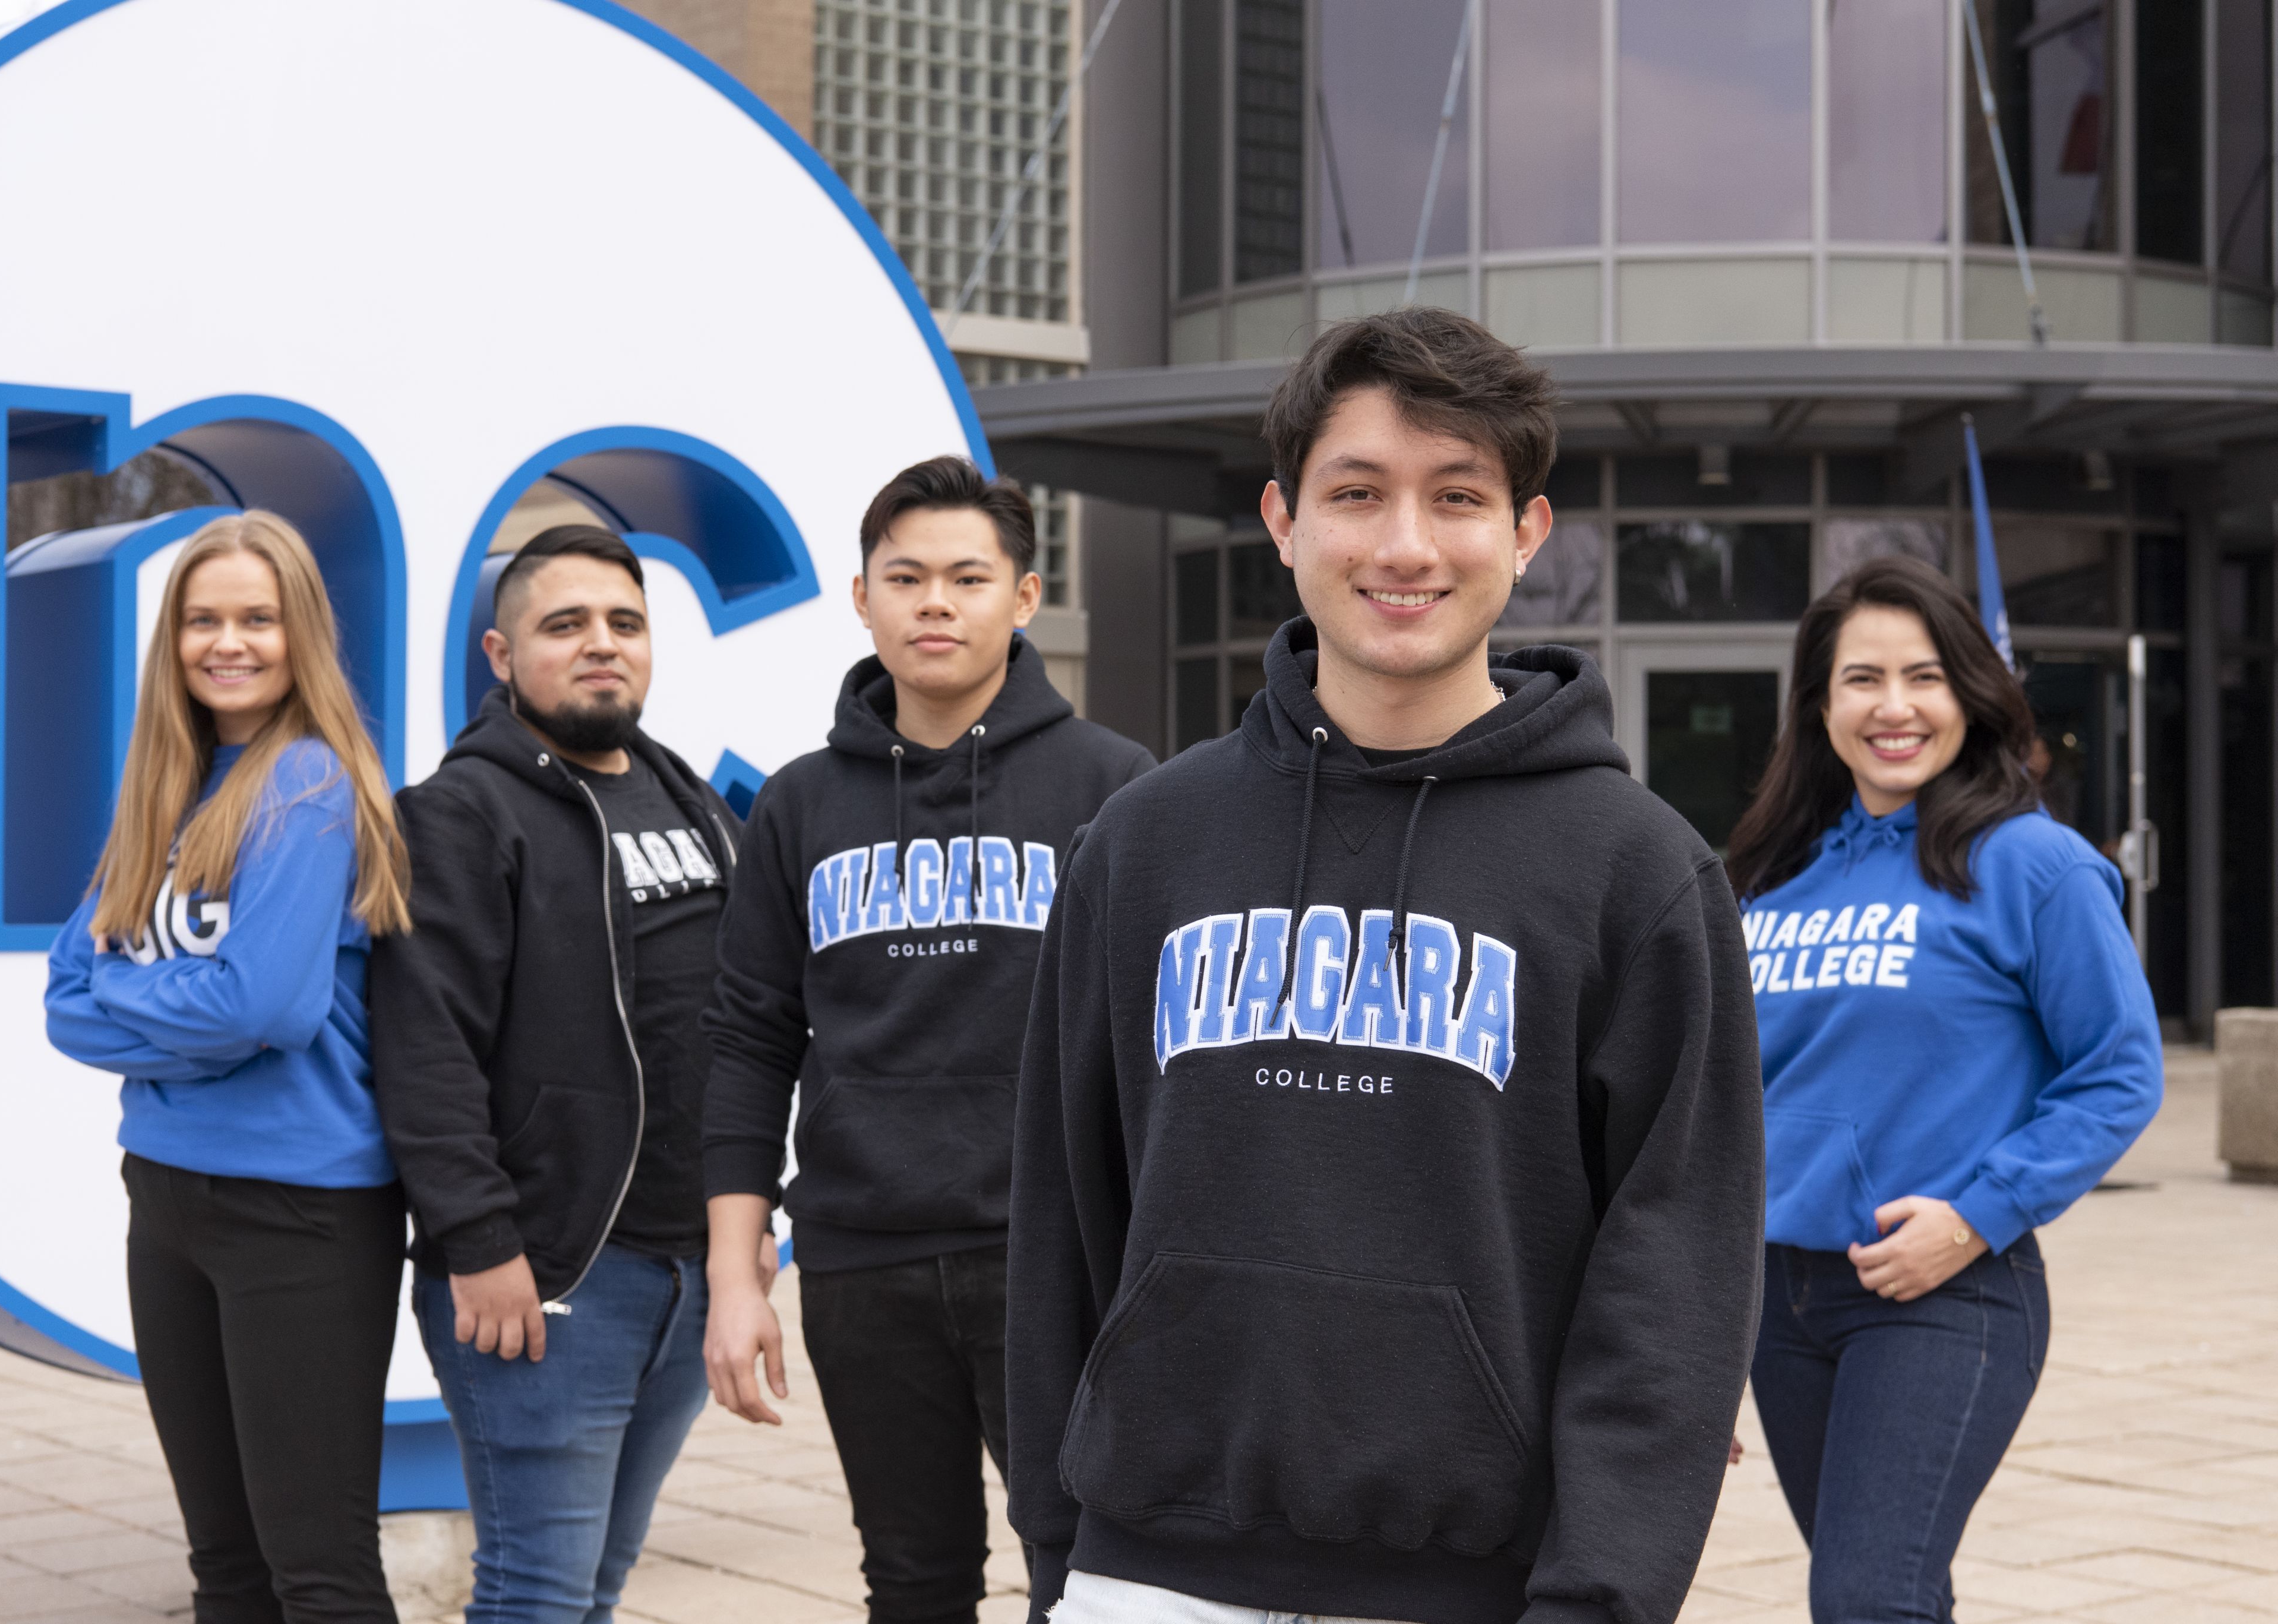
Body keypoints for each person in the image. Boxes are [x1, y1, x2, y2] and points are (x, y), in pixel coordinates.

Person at [1005, 309, 1766, 1624]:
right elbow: (1061, 1215)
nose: (1403, 544)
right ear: (1282, 519)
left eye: (1456, 495)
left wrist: (1595, 1598)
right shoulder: (1143, 843)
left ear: (1525, 533)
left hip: (1469, 1588)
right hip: (1146, 1571)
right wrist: (1058, 1549)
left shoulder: (1635, 871)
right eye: (1354, 493)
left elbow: (1672, 1284)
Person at [700, 456, 1154, 1624]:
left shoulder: (1117, 788)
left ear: (1023, 594)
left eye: (966, 575)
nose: (934, 602)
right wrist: (733, 1273)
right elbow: (750, 1040)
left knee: (1093, 1574)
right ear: (862, 597)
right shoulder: (799, 805)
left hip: (1054, 1261)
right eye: (905, 576)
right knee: (911, 1581)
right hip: (862, 1264)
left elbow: (1158, 1050)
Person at [1724, 556, 2162, 1624]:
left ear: (1970, 691)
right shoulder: (1768, 877)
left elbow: (2118, 1071)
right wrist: (1690, 1326)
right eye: (1862, 678)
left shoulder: (2033, 866)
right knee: (1892, 1592)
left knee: (1869, 1599)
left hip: (1938, 1292)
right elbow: (1717, 1102)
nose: (1894, 707)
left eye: (1924, 676)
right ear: (1820, 703)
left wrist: (1975, 1215)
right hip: (1777, 1303)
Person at [43, 510, 412, 1624]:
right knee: (226, 1567)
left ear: (302, 634)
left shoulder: (306, 785)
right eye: (204, 618)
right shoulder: (164, 791)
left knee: (321, 1571)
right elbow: (66, 1006)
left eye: (258, 617)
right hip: (163, 1195)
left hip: (299, 1212)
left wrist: (135, 994)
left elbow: (270, 1004)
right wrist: (190, 1020)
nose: (229, 641)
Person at [370, 525, 743, 1624]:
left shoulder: (688, 800)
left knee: (596, 1586)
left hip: (686, 1272)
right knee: (536, 1591)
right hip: (554, 1277)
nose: (601, 645)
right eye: (564, 624)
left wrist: (741, 1223)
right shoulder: (458, 813)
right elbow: (423, 1046)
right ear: (500, 652)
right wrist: (481, 1243)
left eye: (624, 623)